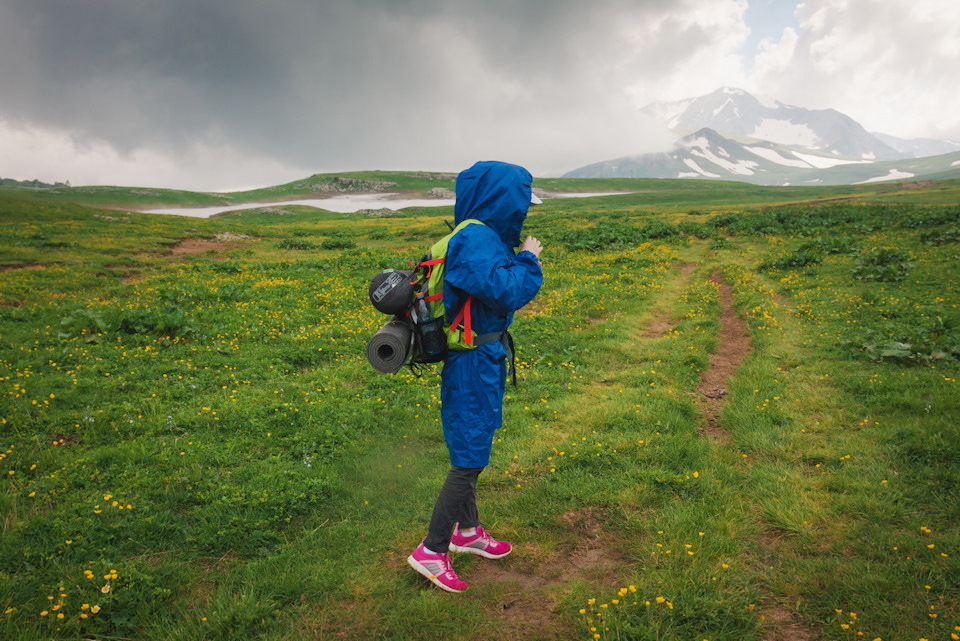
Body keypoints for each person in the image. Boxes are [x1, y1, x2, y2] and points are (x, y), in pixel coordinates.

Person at [407, 161, 545, 593]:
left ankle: (467, 533)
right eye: (521, 203)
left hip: (479, 356)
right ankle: (431, 550)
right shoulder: (475, 239)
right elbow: (507, 290)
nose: (523, 212)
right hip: (471, 362)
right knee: (469, 457)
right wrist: (528, 258)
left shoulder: (475, 236)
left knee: (475, 441)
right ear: (503, 201)